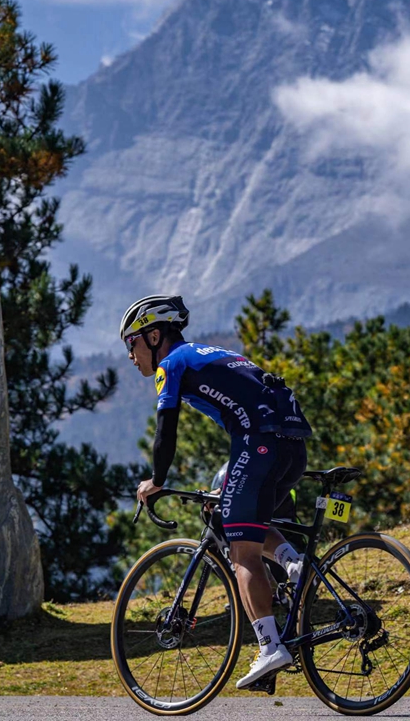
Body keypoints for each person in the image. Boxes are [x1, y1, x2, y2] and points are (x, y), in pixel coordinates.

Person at [121, 294, 312, 688]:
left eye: (131, 343)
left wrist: (156, 479)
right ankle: (294, 563)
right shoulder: (212, 353)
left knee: (242, 551)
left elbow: (166, 430)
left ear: (154, 336)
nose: (130, 355)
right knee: (241, 524)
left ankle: (269, 647)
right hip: (293, 446)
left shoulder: (171, 364)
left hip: (258, 443)